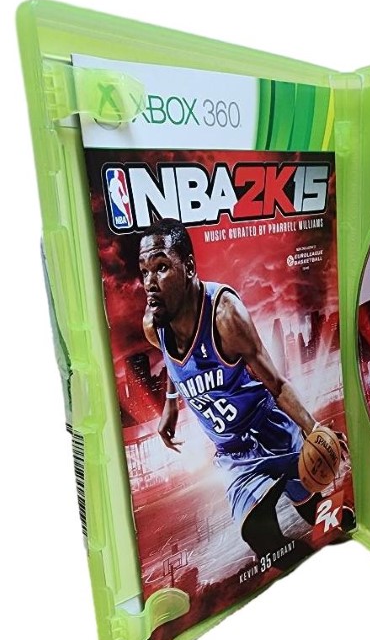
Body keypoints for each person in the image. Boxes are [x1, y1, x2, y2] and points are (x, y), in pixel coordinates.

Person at [139, 218, 342, 570]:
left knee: (312, 509)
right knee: (261, 538)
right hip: (233, 451)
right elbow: (174, 363)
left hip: (270, 428)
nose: (149, 283)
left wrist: (314, 428)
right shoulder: (153, 326)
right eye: (144, 272)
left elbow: (277, 384)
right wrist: (170, 404)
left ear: (189, 267)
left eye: (161, 267)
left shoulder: (225, 316)